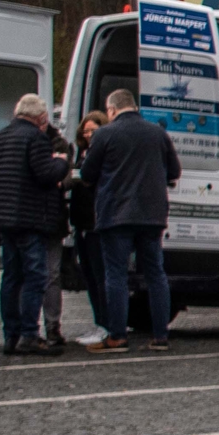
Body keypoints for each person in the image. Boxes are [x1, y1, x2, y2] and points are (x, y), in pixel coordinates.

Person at [77, 87, 179, 351]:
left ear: (111, 110)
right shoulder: (158, 133)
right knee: (156, 274)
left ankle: (118, 335)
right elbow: (175, 171)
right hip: (152, 214)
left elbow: (87, 173)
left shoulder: (104, 134)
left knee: (116, 275)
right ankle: (160, 336)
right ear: (134, 106)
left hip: (116, 214)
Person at [0, 93, 70, 356]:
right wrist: (60, 162)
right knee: (36, 276)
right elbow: (45, 174)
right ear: (40, 118)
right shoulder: (36, 138)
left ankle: (10, 334)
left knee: (11, 277)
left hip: (4, 217)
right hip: (30, 218)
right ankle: (29, 334)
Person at [66, 110, 110, 342]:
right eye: (86, 131)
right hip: (82, 221)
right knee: (90, 277)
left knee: (100, 276)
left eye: (94, 130)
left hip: (96, 222)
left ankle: (106, 324)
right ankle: (99, 322)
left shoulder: (104, 154)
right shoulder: (82, 153)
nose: (89, 135)